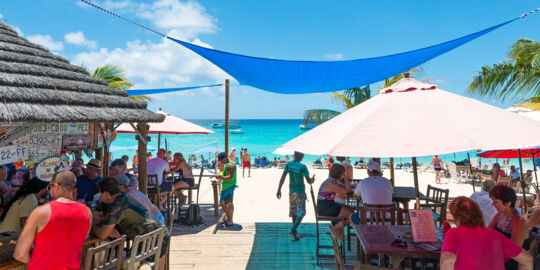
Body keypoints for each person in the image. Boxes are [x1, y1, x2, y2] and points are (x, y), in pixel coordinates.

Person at [13, 171, 92, 269]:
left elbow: (20, 255)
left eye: (49, 188)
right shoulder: (87, 212)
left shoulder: (41, 212)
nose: (49, 191)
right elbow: (78, 240)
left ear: (56, 187)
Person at [93, 177, 168, 269]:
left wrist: (93, 228)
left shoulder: (117, 205)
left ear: (106, 193)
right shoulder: (123, 198)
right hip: (159, 236)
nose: (100, 196)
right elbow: (109, 221)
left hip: (151, 241)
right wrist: (110, 227)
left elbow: (103, 235)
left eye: (100, 193)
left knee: (126, 265)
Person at [440, 197, 532, 270]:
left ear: (457, 218)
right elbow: (527, 260)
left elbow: (447, 261)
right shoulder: (495, 235)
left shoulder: (454, 234)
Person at [488, 184, 529, 269]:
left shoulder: (519, 223)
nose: (492, 204)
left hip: (512, 265)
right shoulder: (499, 216)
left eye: (496, 202)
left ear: (508, 203)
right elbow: (486, 234)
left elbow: (511, 253)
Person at [276, 151, 314, 240]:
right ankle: (293, 229)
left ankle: (295, 233)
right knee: (302, 212)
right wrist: (312, 180)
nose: (303, 157)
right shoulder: (303, 167)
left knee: (294, 212)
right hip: (300, 192)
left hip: (291, 191)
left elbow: (283, 177)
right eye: (302, 155)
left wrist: (279, 189)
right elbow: (309, 181)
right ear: (299, 155)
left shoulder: (289, 164)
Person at [317, 163, 354, 240]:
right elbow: (348, 191)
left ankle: (338, 231)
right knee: (352, 215)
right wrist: (345, 177)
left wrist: (350, 183)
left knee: (351, 210)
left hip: (327, 205)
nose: (344, 174)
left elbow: (343, 187)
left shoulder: (331, 180)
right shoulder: (331, 184)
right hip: (326, 209)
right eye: (343, 172)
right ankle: (336, 228)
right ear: (340, 174)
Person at [214, 152, 237, 228]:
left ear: (224, 158)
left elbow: (230, 177)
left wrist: (220, 177)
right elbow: (225, 176)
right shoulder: (226, 164)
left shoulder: (230, 165)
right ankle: (229, 219)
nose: (220, 162)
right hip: (226, 186)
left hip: (229, 186)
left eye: (220, 160)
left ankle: (230, 220)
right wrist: (220, 179)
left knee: (228, 203)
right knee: (224, 203)